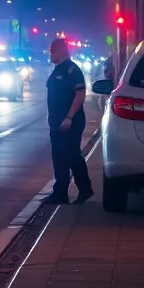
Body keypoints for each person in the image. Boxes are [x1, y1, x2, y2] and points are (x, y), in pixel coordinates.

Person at [41, 37, 93, 205]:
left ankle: (84, 189)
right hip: (57, 122)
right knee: (59, 156)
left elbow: (79, 95)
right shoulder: (57, 70)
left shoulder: (72, 70)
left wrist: (69, 117)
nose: (50, 55)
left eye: (52, 51)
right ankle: (61, 192)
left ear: (61, 50)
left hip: (70, 121)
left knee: (71, 155)